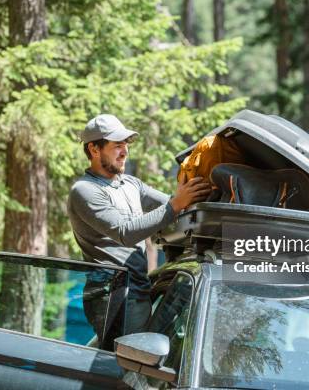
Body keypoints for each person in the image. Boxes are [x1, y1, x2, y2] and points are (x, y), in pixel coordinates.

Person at [67, 114, 210, 347]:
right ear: (94, 149)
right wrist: (176, 204)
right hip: (113, 293)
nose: (125, 152)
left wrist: (199, 196)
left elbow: (174, 206)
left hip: (137, 286)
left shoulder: (131, 184)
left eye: (126, 145)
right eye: (117, 146)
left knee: (135, 355)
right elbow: (126, 232)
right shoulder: (85, 190)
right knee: (129, 363)